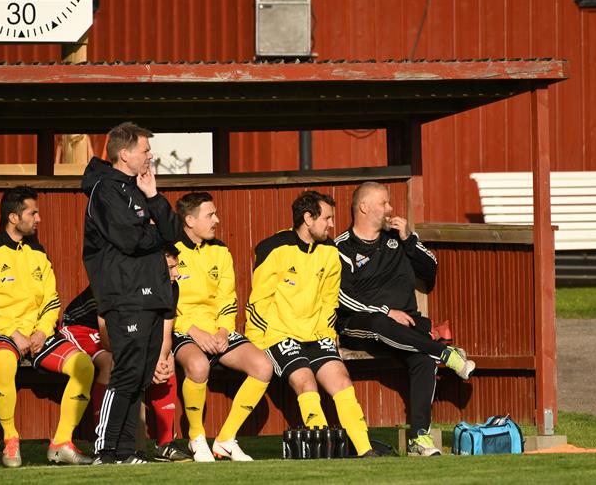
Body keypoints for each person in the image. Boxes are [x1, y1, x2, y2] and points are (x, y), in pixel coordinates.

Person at [334, 182, 476, 456]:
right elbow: (342, 298)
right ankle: (444, 353)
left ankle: (419, 438)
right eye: (384, 203)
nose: (390, 209)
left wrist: (409, 238)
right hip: (361, 326)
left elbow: (430, 269)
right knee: (380, 324)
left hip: (405, 330)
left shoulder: (397, 239)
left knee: (422, 359)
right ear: (364, 207)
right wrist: (385, 311)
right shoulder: (341, 247)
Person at [245, 191, 378, 458]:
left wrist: (328, 336)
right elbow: (258, 302)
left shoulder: (330, 251)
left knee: (342, 380)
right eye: (327, 218)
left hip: (317, 334)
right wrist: (257, 344)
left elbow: (330, 302)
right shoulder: (272, 248)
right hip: (279, 335)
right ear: (308, 218)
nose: (332, 224)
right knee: (306, 382)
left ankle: (366, 451)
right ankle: (324, 452)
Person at [82, 122, 181, 464]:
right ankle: (105, 450)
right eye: (145, 150)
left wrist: (153, 198)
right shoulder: (105, 190)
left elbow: (174, 232)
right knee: (125, 372)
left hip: (151, 294)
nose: (150, 156)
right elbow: (130, 239)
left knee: (139, 377)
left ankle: (125, 451)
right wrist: (155, 232)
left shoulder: (140, 187)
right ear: (124, 154)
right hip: (125, 295)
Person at [0, 186, 94, 467]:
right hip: (1, 333)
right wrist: (13, 333)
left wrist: (42, 331)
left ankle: (62, 443)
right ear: (13, 217)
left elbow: (52, 300)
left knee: (84, 367)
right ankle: (10, 440)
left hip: (39, 334)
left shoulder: (38, 253)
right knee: (4, 361)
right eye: (33, 213)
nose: (39, 218)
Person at [60, 245, 191, 462]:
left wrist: (158, 359)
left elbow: (164, 334)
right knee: (114, 362)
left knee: (166, 359)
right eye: (170, 268)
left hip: (126, 330)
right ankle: (104, 444)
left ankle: (165, 443)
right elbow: (106, 337)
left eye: (176, 267)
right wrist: (140, 357)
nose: (176, 274)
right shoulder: (116, 281)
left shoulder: (170, 286)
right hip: (83, 327)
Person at [173, 192, 272, 462]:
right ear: (190, 220)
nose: (217, 220)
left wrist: (223, 331)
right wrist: (193, 331)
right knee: (198, 366)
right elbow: (164, 304)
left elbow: (227, 298)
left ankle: (226, 439)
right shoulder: (170, 251)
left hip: (217, 330)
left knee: (263, 366)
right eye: (210, 215)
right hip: (182, 329)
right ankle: (196, 437)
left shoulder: (221, 251)